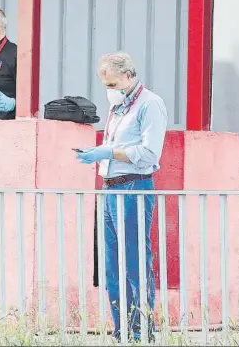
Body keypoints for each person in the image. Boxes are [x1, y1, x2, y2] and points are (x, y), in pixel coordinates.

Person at [75, 52, 168, 343]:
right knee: (112, 265)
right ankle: (122, 329)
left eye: (113, 83)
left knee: (135, 261)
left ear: (128, 75)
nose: (109, 90)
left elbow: (149, 154)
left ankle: (142, 329)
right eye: (105, 85)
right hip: (110, 186)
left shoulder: (150, 104)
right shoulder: (118, 107)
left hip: (133, 187)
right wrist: (99, 154)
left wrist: (107, 152)